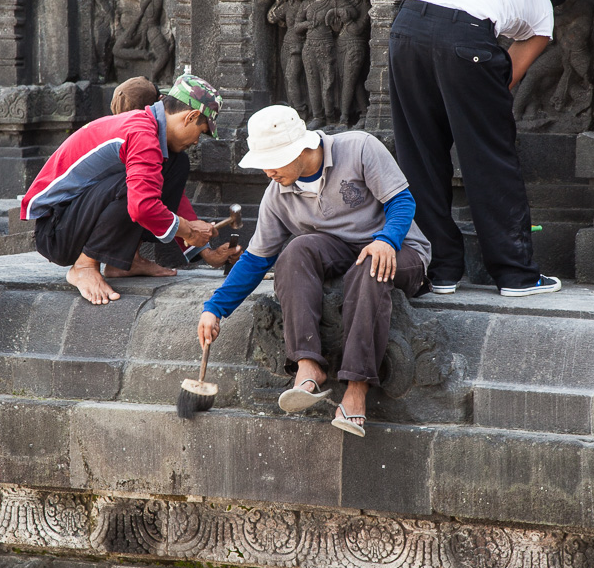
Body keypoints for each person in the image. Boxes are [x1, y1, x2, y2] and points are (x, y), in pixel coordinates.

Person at [388, 0, 569, 298]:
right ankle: (516, 275)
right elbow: (506, 78)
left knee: (419, 151)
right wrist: (465, 108)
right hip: (467, 36)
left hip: (407, 24)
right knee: (489, 155)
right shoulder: (544, 15)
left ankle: (442, 270)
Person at [196, 104, 431, 438]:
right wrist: (215, 308)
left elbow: (402, 201)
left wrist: (386, 240)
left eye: (271, 161)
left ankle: (356, 389)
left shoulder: (359, 147)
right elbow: (255, 259)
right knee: (294, 251)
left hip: (399, 250)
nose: (266, 172)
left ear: (299, 149)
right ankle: (308, 366)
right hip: (337, 252)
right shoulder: (277, 194)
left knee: (369, 266)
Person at [21, 73, 237, 305]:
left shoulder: (151, 131)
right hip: (55, 230)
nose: (196, 141)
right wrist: (189, 231)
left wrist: (206, 251)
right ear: (191, 116)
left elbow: (166, 193)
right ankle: (84, 265)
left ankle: (124, 260)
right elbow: (142, 206)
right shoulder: (141, 133)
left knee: (175, 165)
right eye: (202, 131)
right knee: (137, 191)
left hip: (74, 220)